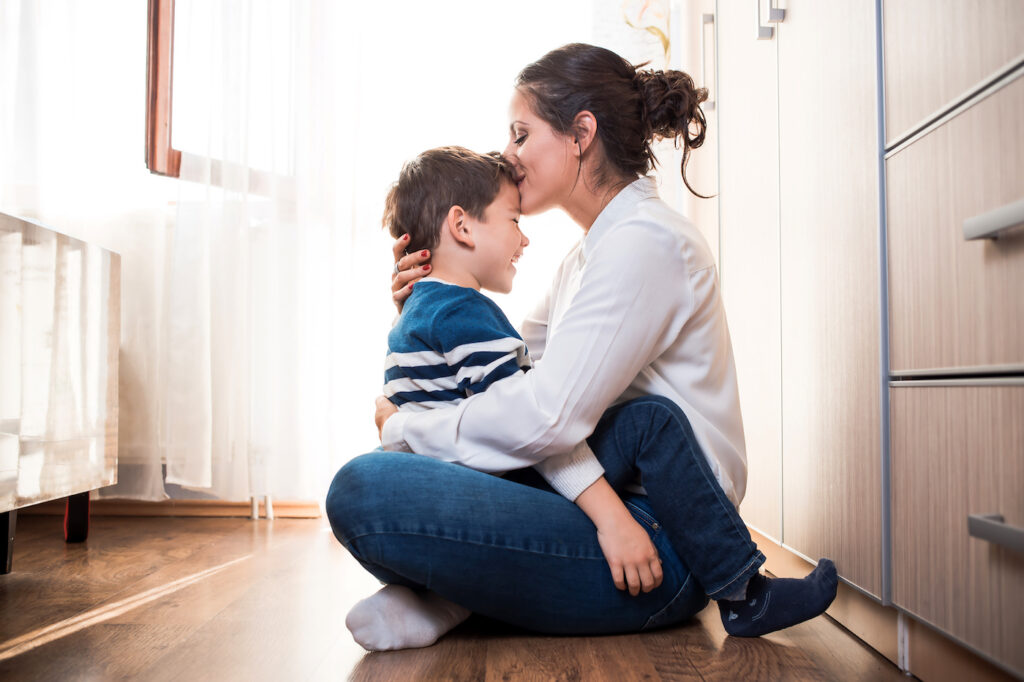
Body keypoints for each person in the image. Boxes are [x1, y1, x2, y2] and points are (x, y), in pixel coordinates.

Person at [327, 43, 838, 651]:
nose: (509, 156)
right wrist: (427, 301)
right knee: (384, 483)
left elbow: (545, 413)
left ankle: (739, 589)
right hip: (604, 506)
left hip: (662, 536)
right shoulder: (587, 257)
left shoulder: (642, 244)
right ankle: (449, 600)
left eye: (521, 134)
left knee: (366, 490)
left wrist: (411, 427)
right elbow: (514, 373)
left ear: (580, 135)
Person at [347, 145, 665, 650]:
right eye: (513, 220)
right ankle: (452, 600)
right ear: (463, 227)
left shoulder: (429, 317)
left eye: (523, 133)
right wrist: (612, 517)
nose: (523, 236)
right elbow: (530, 423)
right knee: (652, 421)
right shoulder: (461, 315)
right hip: (496, 483)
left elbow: (525, 407)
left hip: (473, 485)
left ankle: (448, 600)